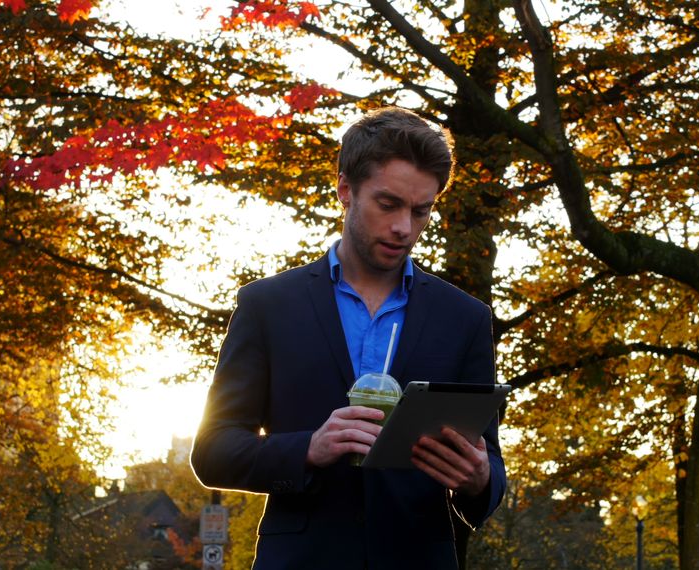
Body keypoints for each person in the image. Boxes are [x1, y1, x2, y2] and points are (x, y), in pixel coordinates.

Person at [191, 107, 506, 570]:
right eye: (388, 204)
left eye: (422, 211)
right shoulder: (268, 305)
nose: (404, 227)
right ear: (345, 190)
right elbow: (213, 451)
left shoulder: (466, 319)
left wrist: (479, 479)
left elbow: (489, 466)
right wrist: (307, 449)